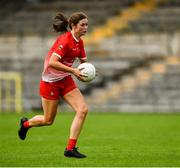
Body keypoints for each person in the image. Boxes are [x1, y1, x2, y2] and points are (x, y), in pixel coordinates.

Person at [18, 12, 89, 158]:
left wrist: (87, 73)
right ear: (73, 26)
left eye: (87, 24)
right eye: (83, 25)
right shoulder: (65, 40)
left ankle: (70, 149)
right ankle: (25, 125)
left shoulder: (80, 42)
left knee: (82, 110)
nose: (86, 27)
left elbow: (84, 64)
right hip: (50, 83)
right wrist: (73, 71)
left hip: (65, 79)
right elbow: (52, 62)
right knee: (48, 120)